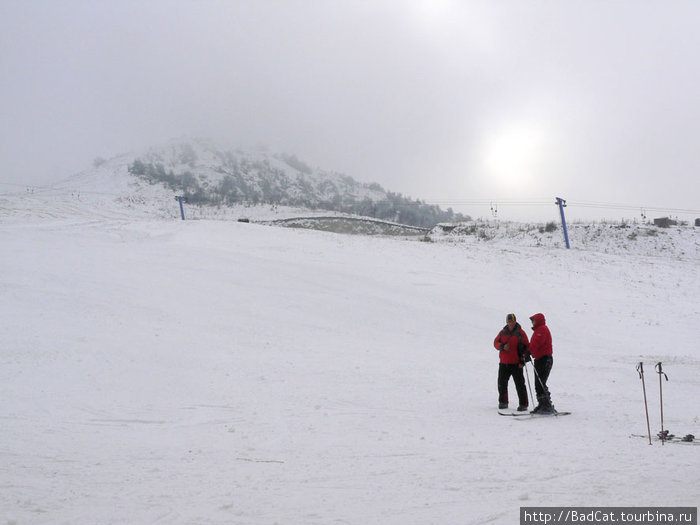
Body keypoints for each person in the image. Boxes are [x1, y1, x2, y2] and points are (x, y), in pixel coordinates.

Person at [493, 313, 529, 411]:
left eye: (512, 321)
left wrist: (523, 361)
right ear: (507, 322)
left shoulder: (521, 333)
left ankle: (523, 404)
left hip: (516, 364)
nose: (511, 323)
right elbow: (495, 343)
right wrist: (502, 346)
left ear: (515, 321)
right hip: (504, 363)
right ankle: (503, 402)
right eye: (509, 322)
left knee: (520, 384)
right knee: (501, 383)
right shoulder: (502, 332)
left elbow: (526, 347)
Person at [528, 313, 555, 413]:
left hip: (545, 359)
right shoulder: (538, 330)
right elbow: (534, 344)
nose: (532, 322)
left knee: (541, 382)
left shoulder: (542, 329)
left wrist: (529, 351)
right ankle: (542, 404)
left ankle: (547, 405)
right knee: (538, 383)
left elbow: (537, 343)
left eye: (533, 320)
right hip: (539, 359)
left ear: (538, 320)